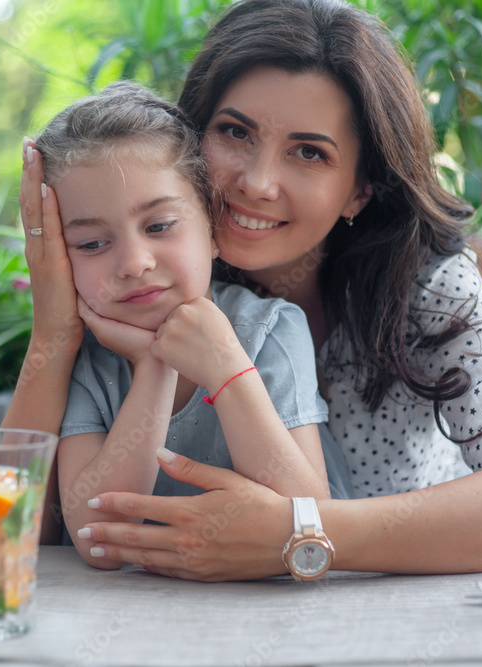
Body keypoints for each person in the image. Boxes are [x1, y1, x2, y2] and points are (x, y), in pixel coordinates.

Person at [8, 0, 482, 579]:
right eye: (235, 132)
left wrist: (301, 534)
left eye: (309, 152)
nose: (257, 183)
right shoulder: (135, 294)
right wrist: (54, 333)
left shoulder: (427, 285)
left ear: (360, 189)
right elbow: (16, 532)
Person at [28, 81, 340, 569]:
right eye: (91, 244)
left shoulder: (269, 330)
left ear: (212, 227)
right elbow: (97, 539)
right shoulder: (89, 360)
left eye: (158, 226)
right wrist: (154, 367)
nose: (133, 262)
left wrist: (228, 368)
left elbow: (310, 514)